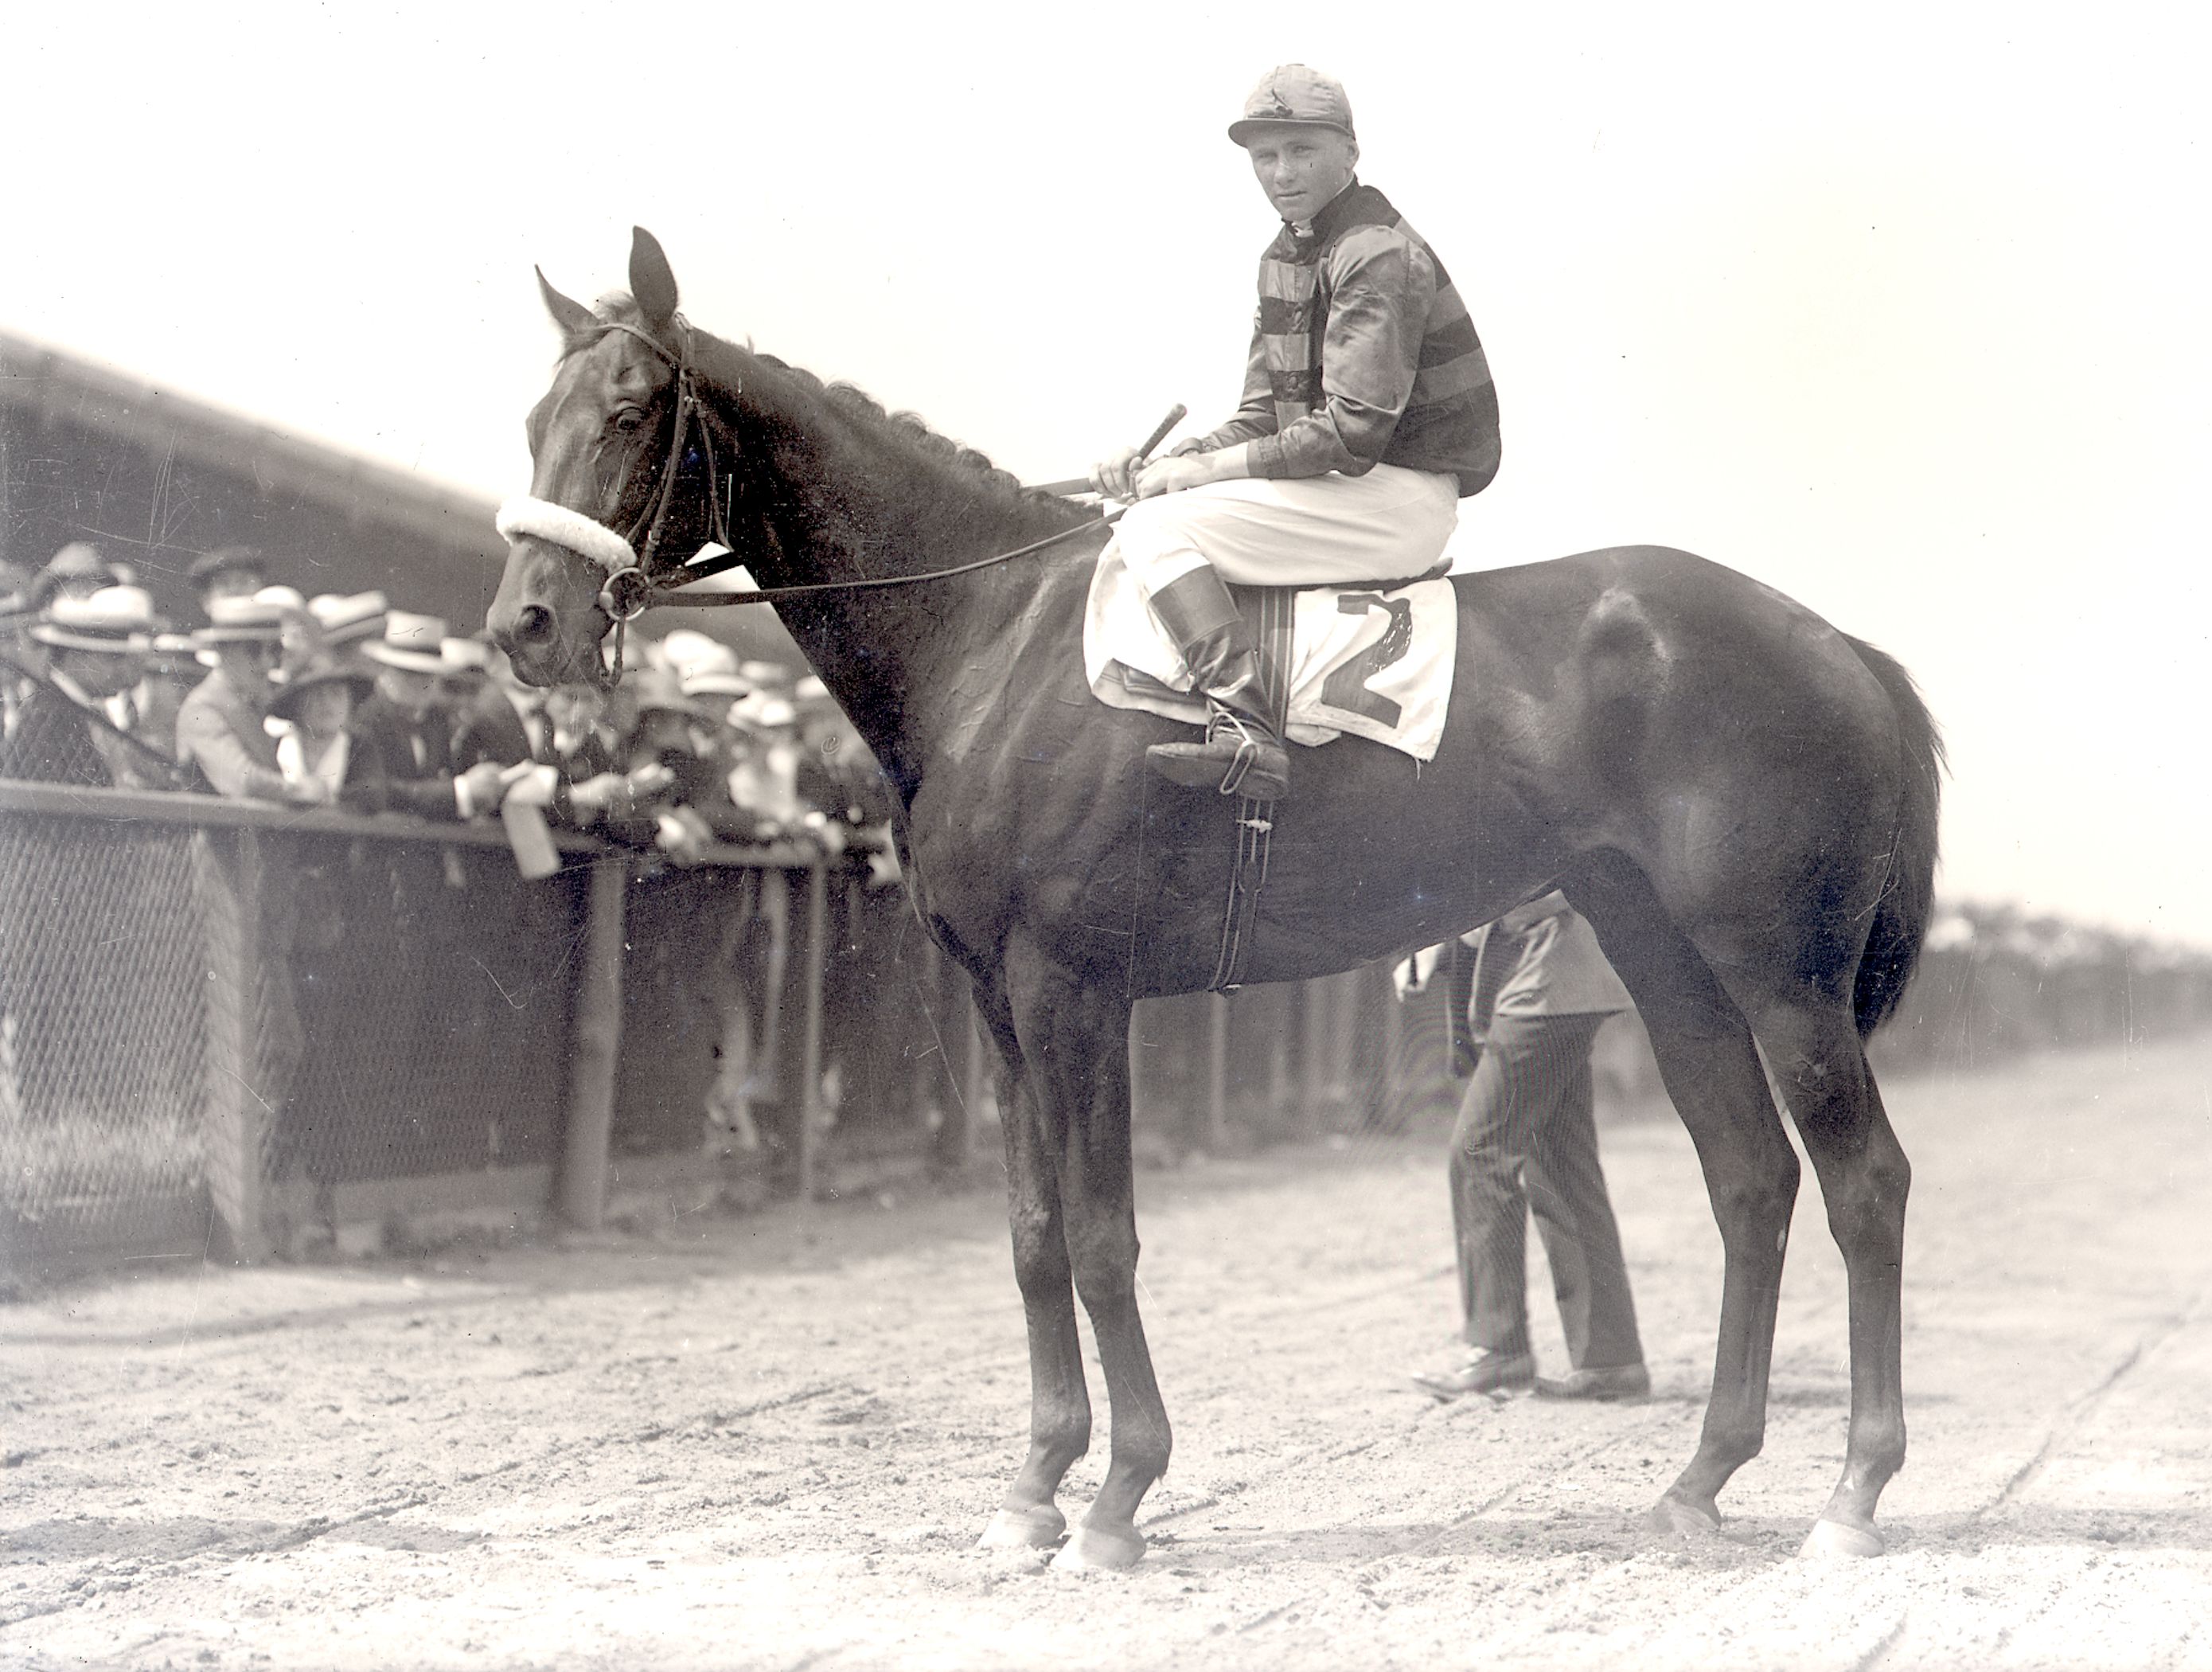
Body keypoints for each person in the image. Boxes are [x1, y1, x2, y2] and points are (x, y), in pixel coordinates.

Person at [1088, 64, 1500, 800]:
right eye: (1264, 157)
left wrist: (1190, 480)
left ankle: (1245, 729)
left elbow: (1349, 433)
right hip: (1352, 487)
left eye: (1301, 151)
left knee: (1155, 531)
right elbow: (1261, 417)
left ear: (1348, 152)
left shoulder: (1374, 249)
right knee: (1146, 507)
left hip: (1398, 495)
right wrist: (1166, 460)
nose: (1281, 173)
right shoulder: (1284, 257)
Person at [1402, 892, 1651, 1402]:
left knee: (1479, 1153)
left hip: (1548, 984)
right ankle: (1611, 1360)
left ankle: (1498, 1349)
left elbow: (1526, 893)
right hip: (1562, 981)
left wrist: (1445, 936)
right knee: (1560, 1163)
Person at [345, 611, 510, 820]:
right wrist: (460, 790)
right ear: (385, 672)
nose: (422, 684)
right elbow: (377, 789)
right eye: (409, 673)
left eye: (430, 674)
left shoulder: (435, 719)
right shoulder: (365, 718)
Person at [0, 586, 170, 787]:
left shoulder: (82, 710)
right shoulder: (50, 715)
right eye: (112, 658)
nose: (123, 671)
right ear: (75, 657)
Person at [177, 593, 309, 800]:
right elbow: (243, 781)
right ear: (224, 652)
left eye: (274, 650)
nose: (267, 663)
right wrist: (301, 790)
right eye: (253, 650)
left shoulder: (257, 701)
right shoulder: (202, 708)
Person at [265, 652, 374, 804]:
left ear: (350, 703)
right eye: (316, 695)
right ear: (296, 704)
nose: (327, 703)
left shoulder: (361, 748)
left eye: (336, 694)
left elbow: (373, 796)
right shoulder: (274, 746)